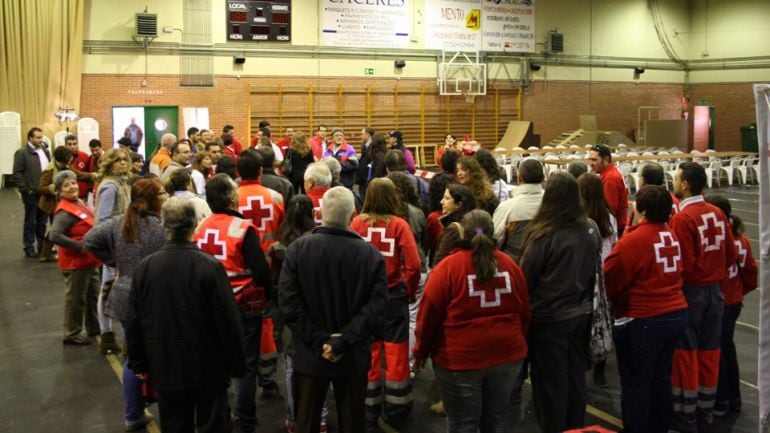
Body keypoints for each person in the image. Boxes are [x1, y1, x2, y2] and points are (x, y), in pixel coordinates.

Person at [126, 197, 246, 433]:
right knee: (213, 423)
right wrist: (237, 364)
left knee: (174, 423)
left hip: (165, 363)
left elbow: (134, 320)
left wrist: (138, 361)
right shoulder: (209, 266)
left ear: (164, 225)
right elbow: (227, 320)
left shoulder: (145, 268)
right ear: (194, 225)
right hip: (208, 365)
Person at [279, 186, 387, 433]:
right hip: (352, 354)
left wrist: (319, 341)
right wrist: (343, 340)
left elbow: (288, 303)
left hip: (309, 354)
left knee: (306, 421)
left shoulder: (298, 249)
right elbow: (377, 306)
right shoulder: (371, 255)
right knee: (353, 423)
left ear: (321, 214)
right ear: (353, 216)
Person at [414, 209, 530, 433]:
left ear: (462, 233)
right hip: (508, 355)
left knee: (462, 424)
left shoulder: (447, 268)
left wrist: (420, 353)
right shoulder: (510, 265)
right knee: (496, 420)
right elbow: (524, 312)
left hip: (460, 360)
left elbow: (428, 316)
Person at [85, 177, 168, 431]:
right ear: (154, 198)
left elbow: (90, 240)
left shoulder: (118, 222)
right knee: (162, 356)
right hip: (153, 298)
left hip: (123, 296)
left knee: (134, 358)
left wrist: (115, 262)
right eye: (163, 192)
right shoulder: (160, 228)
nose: (166, 195)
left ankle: (133, 414)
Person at [604, 185, 688, 433]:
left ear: (640, 210)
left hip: (643, 317)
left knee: (636, 384)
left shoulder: (635, 240)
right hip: (675, 313)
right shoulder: (670, 234)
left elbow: (610, 277)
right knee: (661, 379)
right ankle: (660, 426)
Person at [519, 172, 598, 433]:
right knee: (576, 376)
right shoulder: (589, 227)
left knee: (550, 382)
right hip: (582, 312)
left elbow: (525, 276)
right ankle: (575, 426)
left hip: (549, 318)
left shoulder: (544, 233)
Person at [194, 174, 274, 433]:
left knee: (215, 364)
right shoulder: (243, 229)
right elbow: (261, 270)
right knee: (246, 366)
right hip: (240, 305)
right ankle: (245, 422)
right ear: (231, 199)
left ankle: (220, 417)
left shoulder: (201, 226)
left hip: (208, 305)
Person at [349, 178, 421, 430]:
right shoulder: (400, 225)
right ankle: (397, 409)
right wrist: (408, 290)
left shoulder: (356, 223)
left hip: (366, 299)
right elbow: (414, 265)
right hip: (393, 298)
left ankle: (369, 407)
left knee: (370, 351)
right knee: (397, 353)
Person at [669, 162, 736, 433]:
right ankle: (706, 409)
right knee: (710, 352)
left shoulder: (683, 218)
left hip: (692, 292)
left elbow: (681, 262)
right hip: (716, 293)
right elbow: (730, 254)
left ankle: (685, 414)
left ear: (685, 185)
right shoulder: (718, 211)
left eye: (676, 178)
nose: (673, 182)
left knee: (687, 352)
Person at [268, 194, 330, 433]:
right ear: (312, 215)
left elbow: (275, 284)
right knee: (319, 368)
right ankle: (321, 418)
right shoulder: (317, 245)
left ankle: (294, 418)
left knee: (292, 367)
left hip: (289, 317)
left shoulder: (279, 247)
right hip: (316, 312)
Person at [237, 149, 285, 398]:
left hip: (241, 272)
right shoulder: (276, 197)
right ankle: (268, 379)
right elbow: (282, 232)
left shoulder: (231, 198)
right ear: (260, 171)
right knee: (268, 324)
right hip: (271, 270)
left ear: (238, 172)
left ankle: (244, 372)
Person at [704, 195, 758, 417]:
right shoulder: (741, 239)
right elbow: (751, 275)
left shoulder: (717, 239)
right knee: (728, 348)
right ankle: (733, 397)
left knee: (718, 349)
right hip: (733, 301)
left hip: (721, 300)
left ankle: (722, 398)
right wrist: (739, 291)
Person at [49, 170, 100, 345]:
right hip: (75, 262)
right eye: (67, 185)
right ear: (59, 191)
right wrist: (79, 246)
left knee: (93, 294)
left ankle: (94, 327)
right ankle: (72, 333)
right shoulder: (65, 212)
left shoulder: (79, 202)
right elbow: (54, 235)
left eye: (73, 183)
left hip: (89, 260)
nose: (72, 187)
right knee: (76, 299)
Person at [577, 172, 618, 388]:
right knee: (603, 319)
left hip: (586, 274)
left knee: (585, 321)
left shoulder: (579, 218)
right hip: (605, 272)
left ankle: (585, 362)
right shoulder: (608, 216)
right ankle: (600, 369)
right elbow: (614, 242)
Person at [93, 147, 132, 355]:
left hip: (122, 241)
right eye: (118, 160)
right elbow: (102, 220)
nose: (123, 163)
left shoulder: (122, 183)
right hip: (113, 244)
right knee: (108, 289)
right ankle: (106, 334)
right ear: (110, 163)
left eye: (125, 160)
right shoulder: (110, 186)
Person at [492, 158, 544, 258]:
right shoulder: (552, 204)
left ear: (519, 178)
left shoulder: (506, 207)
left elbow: (495, 239)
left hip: (513, 265)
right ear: (543, 178)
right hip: (547, 265)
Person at [13, 127, 51, 258]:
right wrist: (25, 189)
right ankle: (28, 247)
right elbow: (17, 173)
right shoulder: (21, 153)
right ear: (30, 138)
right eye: (38, 137)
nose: (41, 139)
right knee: (30, 220)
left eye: (41, 137)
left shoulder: (45, 151)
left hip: (44, 192)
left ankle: (41, 245)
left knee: (42, 221)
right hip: (31, 193)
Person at [37, 146, 74, 262]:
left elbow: (77, 174)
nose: (71, 159)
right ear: (64, 159)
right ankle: (45, 254)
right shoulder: (49, 170)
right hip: (52, 204)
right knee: (56, 230)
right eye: (69, 157)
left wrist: (92, 176)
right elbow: (41, 188)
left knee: (56, 229)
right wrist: (53, 188)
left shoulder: (65, 167)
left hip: (61, 203)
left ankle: (47, 253)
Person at [588, 143, 628, 236]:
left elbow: (609, 210)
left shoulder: (610, 179)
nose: (590, 164)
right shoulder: (609, 173)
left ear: (605, 159)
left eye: (594, 160)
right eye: (589, 160)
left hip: (612, 227)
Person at [433, 183, 476, 266]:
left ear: (459, 204)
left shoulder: (453, 229)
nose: (441, 202)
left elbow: (439, 261)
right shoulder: (475, 223)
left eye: (447, 198)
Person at [64, 135, 94, 200]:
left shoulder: (84, 156)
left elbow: (89, 172)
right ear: (65, 145)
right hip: (67, 194)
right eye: (69, 144)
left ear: (77, 144)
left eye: (74, 144)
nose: (72, 146)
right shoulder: (62, 158)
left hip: (83, 193)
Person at [356, 127, 376, 198]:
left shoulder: (374, 147)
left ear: (367, 135)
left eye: (362, 134)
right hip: (362, 178)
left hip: (368, 178)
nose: (361, 136)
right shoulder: (363, 145)